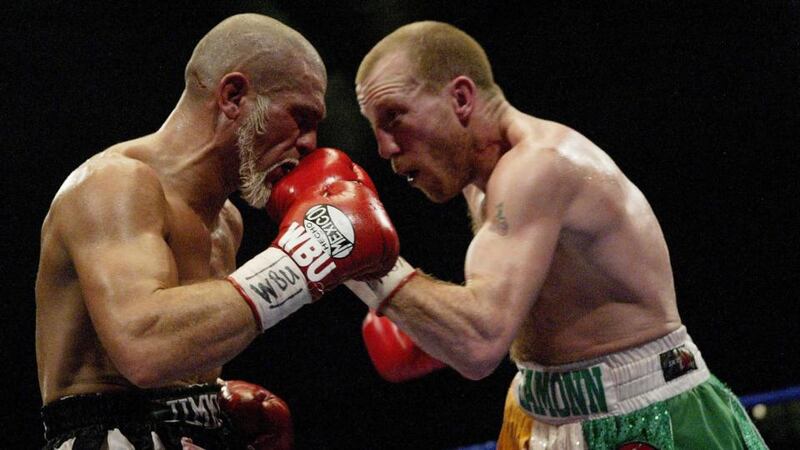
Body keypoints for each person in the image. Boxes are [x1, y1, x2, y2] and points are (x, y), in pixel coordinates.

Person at [347, 21, 768, 449]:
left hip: (644, 417)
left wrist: (358, 257)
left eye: (394, 118)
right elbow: (523, 310)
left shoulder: (539, 167)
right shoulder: (480, 180)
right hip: (539, 410)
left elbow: (480, 342)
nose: (384, 148)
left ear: (460, 98)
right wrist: (429, 325)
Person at [35, 13, 399, 449]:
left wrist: (210, 404)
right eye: (300, 117)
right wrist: (304, 261)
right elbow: (145, 347)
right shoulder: (115, 184)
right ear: (233, 96)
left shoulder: (227, 222)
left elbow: (179, 358)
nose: (310, 144)